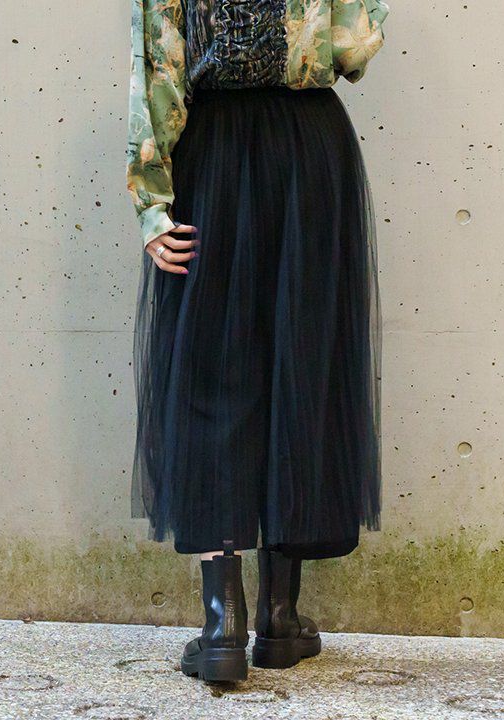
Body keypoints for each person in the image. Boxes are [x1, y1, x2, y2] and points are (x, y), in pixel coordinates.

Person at [126, 0, 389, 683]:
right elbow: (356, 46)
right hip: (311, 151)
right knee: (301, 362)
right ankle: (279, 616)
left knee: (212, 371)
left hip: (212, 149)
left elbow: (158, 62)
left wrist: (152, 202)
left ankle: (223, 625)